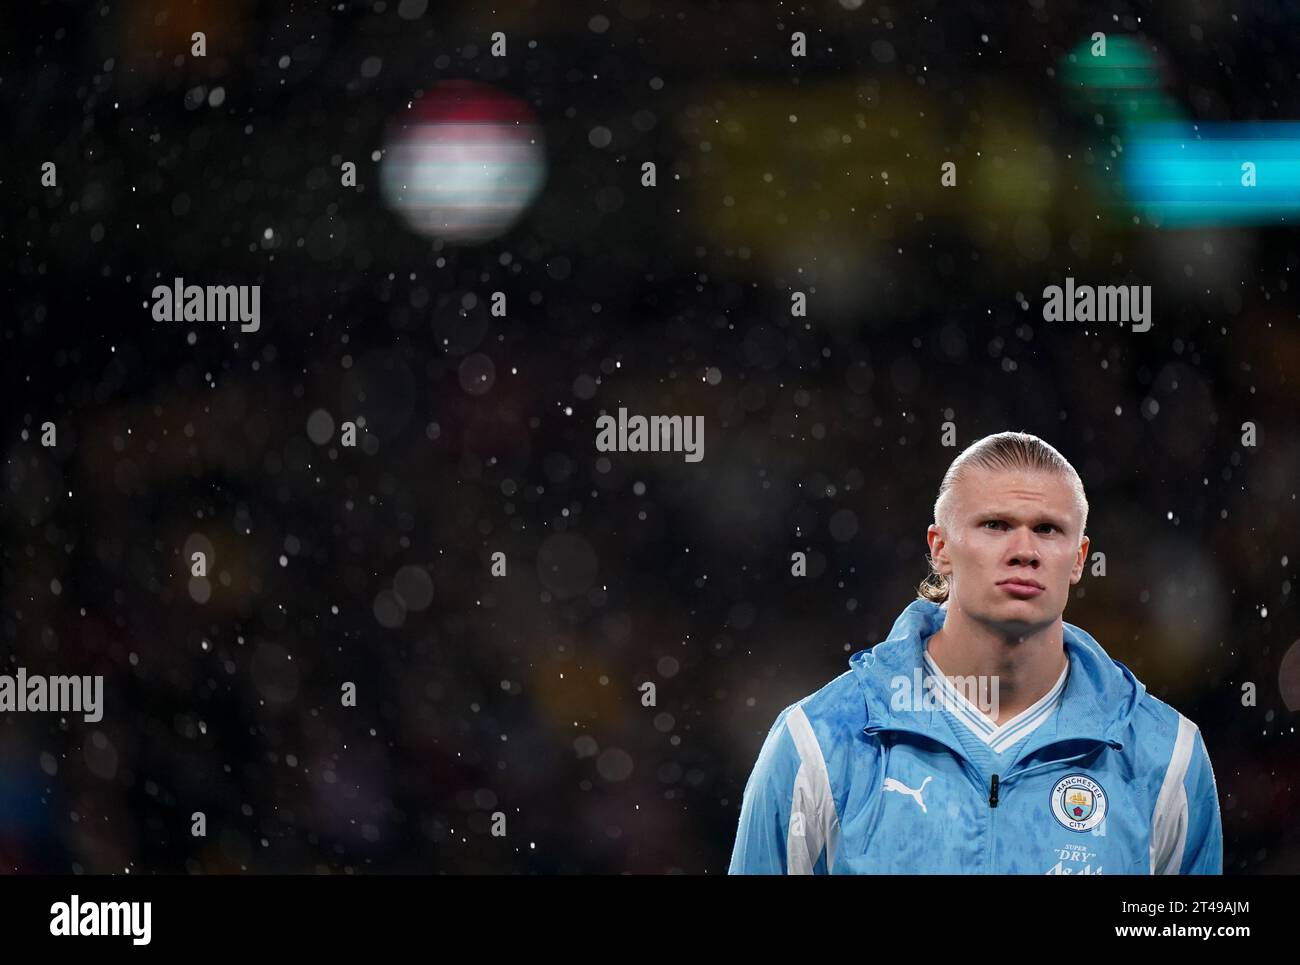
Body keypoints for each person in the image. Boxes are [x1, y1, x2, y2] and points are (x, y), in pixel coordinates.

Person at [728, 431, 1223, 874]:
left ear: (1078, 559)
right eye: (995, 525)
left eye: (1047, 529)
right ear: (940, 548)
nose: (1024, 549)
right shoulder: (820, 742)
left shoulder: (1165, 756)